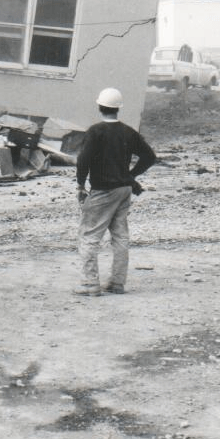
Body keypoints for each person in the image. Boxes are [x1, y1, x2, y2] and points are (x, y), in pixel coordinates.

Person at [74, 87, 157, 296]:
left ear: (99, 106)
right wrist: (131, 175)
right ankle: (117, 284)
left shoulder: (95, 131)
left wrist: (81, 185)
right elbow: (149, 157)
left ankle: (89, 285)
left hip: (103, 191)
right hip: (124, 190)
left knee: (89, 236)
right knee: (120, 237)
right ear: (118, 109)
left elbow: (83, 160)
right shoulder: (128, 132)